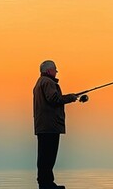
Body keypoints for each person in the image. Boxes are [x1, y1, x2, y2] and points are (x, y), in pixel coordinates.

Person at [33, 60, 79, 189]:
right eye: (55, 70)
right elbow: (54, 99)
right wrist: (70, 97)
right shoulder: (48, 82)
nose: (56, 72)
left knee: (44, 157)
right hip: (50, 126)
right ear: (49, 71)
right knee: (48, 156)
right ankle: (47, 184)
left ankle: (45, 183)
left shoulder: (39, 82)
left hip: (43, 126)